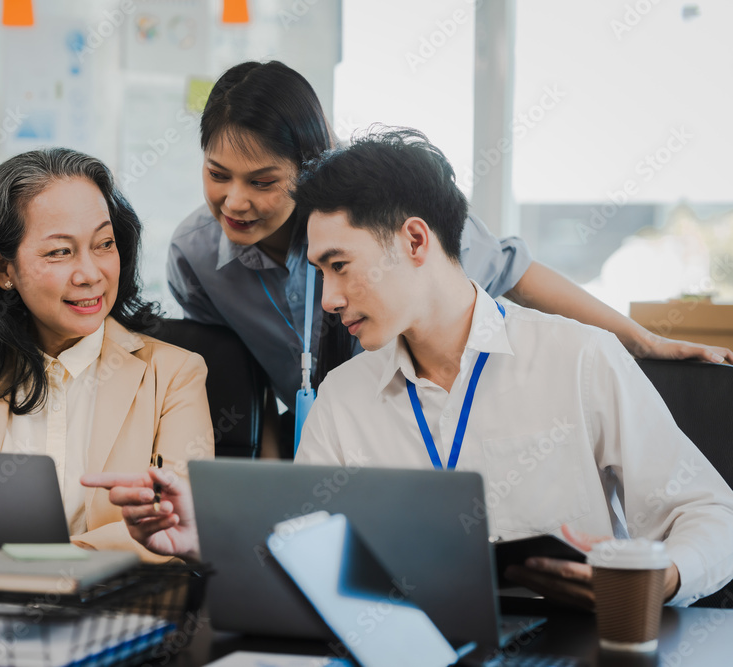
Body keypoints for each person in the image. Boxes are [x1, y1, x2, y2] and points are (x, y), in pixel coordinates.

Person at [85, 128, 733, 608]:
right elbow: (300, 550)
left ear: (415, 241)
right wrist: (210, 537)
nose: (329, 299)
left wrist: (663, 576)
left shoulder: (580, 359)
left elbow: (711, 512)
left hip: (571, 637)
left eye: (340, 264)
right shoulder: (343, 397)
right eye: (319, 272)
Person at [168, 61, 732, 453]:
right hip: (320, 437)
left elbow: (517, 274)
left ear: (311, 166)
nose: (234, 202)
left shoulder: (386, 219)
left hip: (420, 432)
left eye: (263, 181)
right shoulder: (194, 257)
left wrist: (641, 341)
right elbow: (244, 379)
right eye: (217, 175)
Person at [0, 148, 214, 561]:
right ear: (4, 269)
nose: (90, 274)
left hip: (122, 612)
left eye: (104, 244)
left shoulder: (175, 375)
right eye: (60, 251)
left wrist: (31, 559)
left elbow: (180, 528)